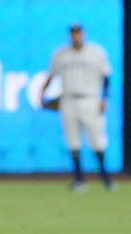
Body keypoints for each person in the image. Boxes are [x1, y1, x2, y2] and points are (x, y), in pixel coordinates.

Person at [40, 23, 116, 192]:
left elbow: (106, 77)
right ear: (70, 35)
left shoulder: (97, 52)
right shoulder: (61, 55)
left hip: (90, 99)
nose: (76, 36)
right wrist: (42, 94)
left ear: (84, 34)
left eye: (79, 33)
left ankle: (106, 179)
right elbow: (51, 76)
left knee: (97, 140)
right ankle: (79, 180)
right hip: (68, 100)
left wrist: (104, 98)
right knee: (73, 140)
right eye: (73, 33)